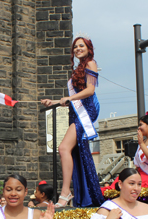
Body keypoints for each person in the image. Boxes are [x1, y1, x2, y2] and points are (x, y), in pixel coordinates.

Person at [41, 36, 104, 208]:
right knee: (72, 151)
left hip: (88, 109)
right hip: (77, 111)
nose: (77, 49)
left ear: (88, 48)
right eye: (75, 47)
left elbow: (90, 90)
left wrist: (69, 98)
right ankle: (75, 192)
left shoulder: (91, 63)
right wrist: (53, 102)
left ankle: (65, 192)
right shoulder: (78, 68)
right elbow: (70, 98)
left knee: (63, 148)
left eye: (81, 46)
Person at [101, 114, 148, 193]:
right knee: (123, 178)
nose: (139, 127)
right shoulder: (144, 140)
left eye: (141, 125)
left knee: (129, 183)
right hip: (141, 173)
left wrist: (141, 143)